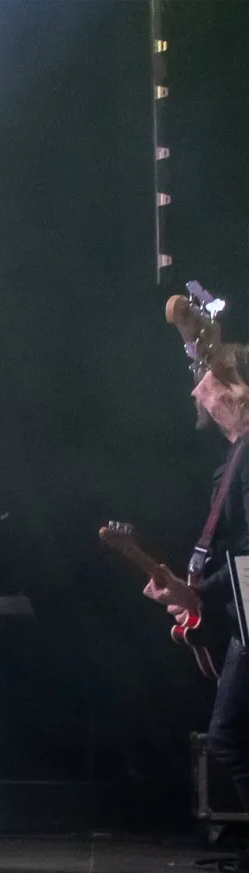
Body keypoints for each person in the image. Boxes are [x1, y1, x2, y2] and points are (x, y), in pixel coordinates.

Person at [144, 298, 249, 832]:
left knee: (230, 739)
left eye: (205, 384)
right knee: (232, 739)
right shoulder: (236, 458)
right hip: (241, 607)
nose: (196, 393)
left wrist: (199, 593)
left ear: (235, 391)